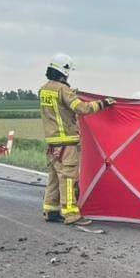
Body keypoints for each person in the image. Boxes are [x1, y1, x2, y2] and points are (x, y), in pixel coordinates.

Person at [37, 53, 113, 224]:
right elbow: (82, 109)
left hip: (52, 143)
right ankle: (71, 214)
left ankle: (50, 210)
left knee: (54, 179)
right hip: (66, 143)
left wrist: (71, 93)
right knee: (69, 178)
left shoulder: (44, 89)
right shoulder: (62, 90)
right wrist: (103, 103)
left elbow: (60, 105)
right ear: (64, 71)